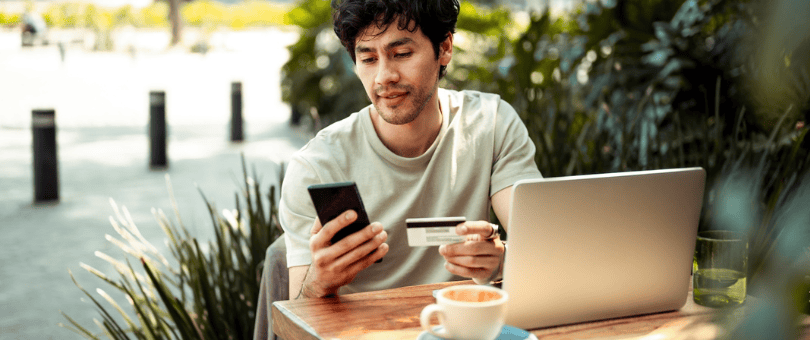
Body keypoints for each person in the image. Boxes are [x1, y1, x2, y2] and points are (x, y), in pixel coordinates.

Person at [253, 0, 541, 337]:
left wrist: (501, 259)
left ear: (444, 48)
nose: (384, 77)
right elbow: (296, 328)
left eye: (401, 53)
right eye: (368, 59)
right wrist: (318, 284)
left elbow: (536, 242)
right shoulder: (318, 166)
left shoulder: (491, 124)